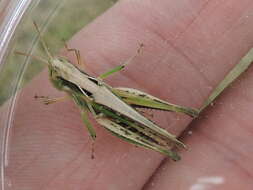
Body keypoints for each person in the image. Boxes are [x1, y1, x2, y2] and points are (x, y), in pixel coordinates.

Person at [6, 0, 253, 189]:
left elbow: (65, 94)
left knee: (102, 115)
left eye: (61, 64)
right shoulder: (74, 80)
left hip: (114, 99)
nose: (60, 65)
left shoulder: (66, 89)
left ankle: (172, 130)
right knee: (100, 118)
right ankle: (165, 147)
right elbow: (104, 71)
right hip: (105, 104)